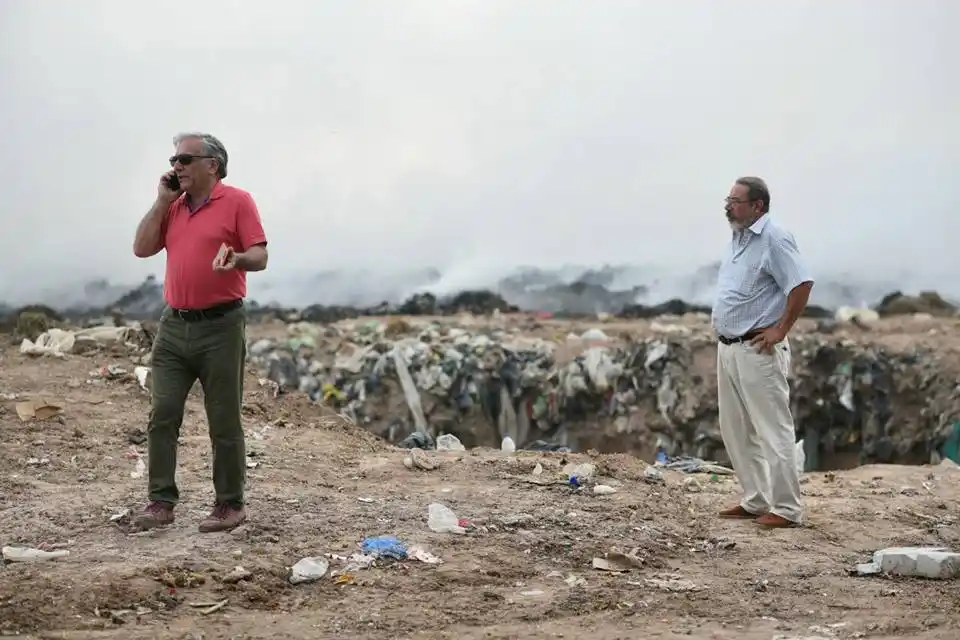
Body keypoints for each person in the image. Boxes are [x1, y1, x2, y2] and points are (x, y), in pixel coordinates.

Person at [131, 132, 268, 532]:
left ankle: (230, 504)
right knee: (162, 414)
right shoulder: (173, 206)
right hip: (174, 326)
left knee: (223, 419)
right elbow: (141, 248)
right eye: (174, 160)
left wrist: (237, 259)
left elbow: (260, 255)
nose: (177, 166)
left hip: (221, 327)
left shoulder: (238, 201)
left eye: (185, 159)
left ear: (213, 164)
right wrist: (161, 202)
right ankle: (161, 502)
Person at [712, 176, 813, 528]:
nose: (729, 206)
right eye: (728, 200)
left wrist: (781, 329)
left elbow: (801, 283)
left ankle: (787, 509)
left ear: (758, 206)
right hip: (728, 348)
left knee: (773, 429)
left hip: (758, 348)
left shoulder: (775, 238)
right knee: (736, 429)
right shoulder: (738, 238)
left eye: (736, 201)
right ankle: (756, 500)